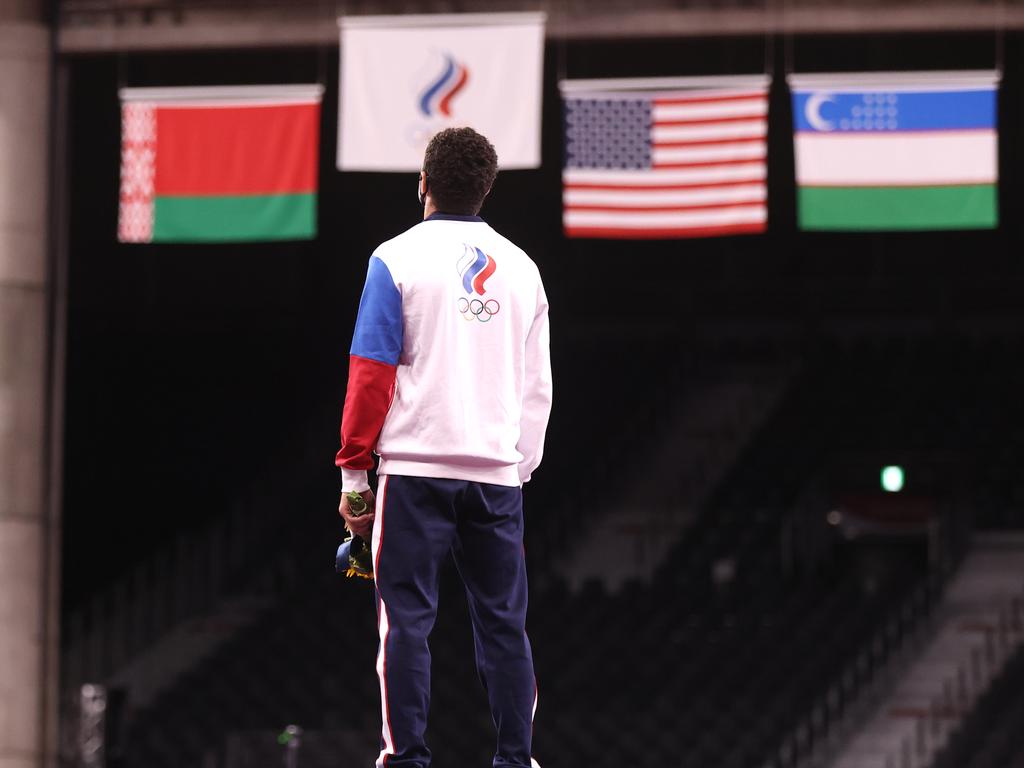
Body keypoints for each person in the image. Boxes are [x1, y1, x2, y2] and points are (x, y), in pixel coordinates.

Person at [335, 127, 552, 768]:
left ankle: (406, 759)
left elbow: (370, 372)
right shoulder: (522, 268)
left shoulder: (394, 258)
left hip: (415, 470)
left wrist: (354, 476)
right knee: (504, 625)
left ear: (423, 184)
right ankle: (516, 759)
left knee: (406, 621)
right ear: (486, 189)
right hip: (495, 472)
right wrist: (520, 463)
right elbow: (537, 385)